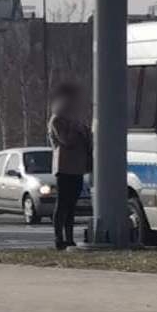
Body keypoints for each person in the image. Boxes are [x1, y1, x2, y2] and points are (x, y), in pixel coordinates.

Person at [46, 82, 92, 251]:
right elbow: (66, 141)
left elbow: (87, 138)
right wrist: (76, 129)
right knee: (63, 203)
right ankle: (59, 238)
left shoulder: (76, 120)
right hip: (64, 167)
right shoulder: (57, 120)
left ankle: (70, 237)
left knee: (72, 205)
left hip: (78, 167)